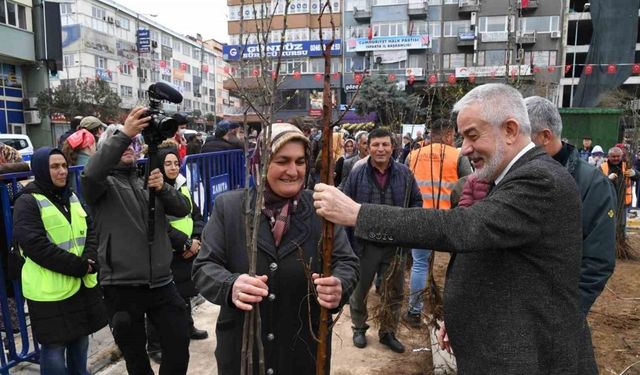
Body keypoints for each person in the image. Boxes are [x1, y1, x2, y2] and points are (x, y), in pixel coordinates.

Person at [313, 83, 597, 374]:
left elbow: (463, 226)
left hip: (530, 358)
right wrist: (465, 317)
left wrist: (358, 214)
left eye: (472, 135)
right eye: (462, 137)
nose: (464, 149)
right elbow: (500, 263)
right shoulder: (512, 178)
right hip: (502, 343)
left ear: (511, 130)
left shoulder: (540, 181)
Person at [192, 123, 359, 375]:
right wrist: (230, 285)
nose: (293, 171)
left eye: (300, 161)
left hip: (302, 352)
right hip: (242, 353)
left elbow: (346, 262)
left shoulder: (321, 211)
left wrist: (340, 285)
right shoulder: (230, 208)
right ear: (260, 162)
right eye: (282, 161)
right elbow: (204, 267)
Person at [81, 107, 192, 375]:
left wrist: (162, 188)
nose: (129, 147)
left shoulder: (146, 181)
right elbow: (90, 174)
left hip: (161, 283)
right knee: (136, 358)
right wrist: (124, 132)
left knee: (179, 343)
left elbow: (181, 209)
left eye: (132, 143)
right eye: (122, 143)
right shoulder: (101, 187)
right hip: (123, 287)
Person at [13, 147, 107, 374]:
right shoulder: (28, 201)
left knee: (80, 342)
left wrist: (90, 257)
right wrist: (80, 266)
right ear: (41, 170)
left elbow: (90, 230)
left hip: (79, 286)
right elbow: (36, 246)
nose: (62, 171)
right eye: (55, 167)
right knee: (54, 349)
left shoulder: (71, 196)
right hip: (49, 291)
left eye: (64, 165)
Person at [526, 95, 616, 315]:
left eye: (521, 137)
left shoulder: (592, 184)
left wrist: (568, 312)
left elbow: (598, 260)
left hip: (558, 311)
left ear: (545, 136)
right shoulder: (516, 174)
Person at [341, 128, 422, 353]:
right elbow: (346, 202)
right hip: (365, 244)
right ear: (368, 147)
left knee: (394, 290)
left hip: (394, 245)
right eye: (376, 145)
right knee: (360, 289)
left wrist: (406, 224)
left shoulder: (405, 174)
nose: (380, 149)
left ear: (392, 147)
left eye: (385, 145)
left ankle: (388, 332)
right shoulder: (357, 173)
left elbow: (416, 201)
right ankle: (359, 327)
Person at [403, 119, 472, 327]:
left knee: (419, 264)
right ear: (449, 135)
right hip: (449, 220)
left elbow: (406, 186)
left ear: (431, 134)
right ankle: (455, 311)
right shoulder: (457, 155)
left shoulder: (412, 156)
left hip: (420, 218)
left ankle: (414, 311)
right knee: (457, 265)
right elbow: (468, 185)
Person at [146, 146, 208, 364]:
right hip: (168, 253)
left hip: (189, 250)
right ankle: (154, 345)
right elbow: (160, 226)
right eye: (167, 164)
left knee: (185, 293)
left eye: (175, 163)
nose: (173, 168)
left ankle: (187, 327)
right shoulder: (153, 190)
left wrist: (197, 238)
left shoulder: (181, 185)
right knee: (162, 300)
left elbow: (196, 213)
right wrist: (185, 243)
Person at [600, 146, 639, 232]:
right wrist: (607, 179)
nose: (616, 158)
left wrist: (634, 174)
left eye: (618, 156)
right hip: (608, 202)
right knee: (608, 223)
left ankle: (621, 241)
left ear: (621, 156)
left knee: (622, 224)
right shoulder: (602, 167)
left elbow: (637, 176)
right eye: (613, 156)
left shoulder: (626, 166)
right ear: (609, 156)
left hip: (623, 201)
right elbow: (596, 182)